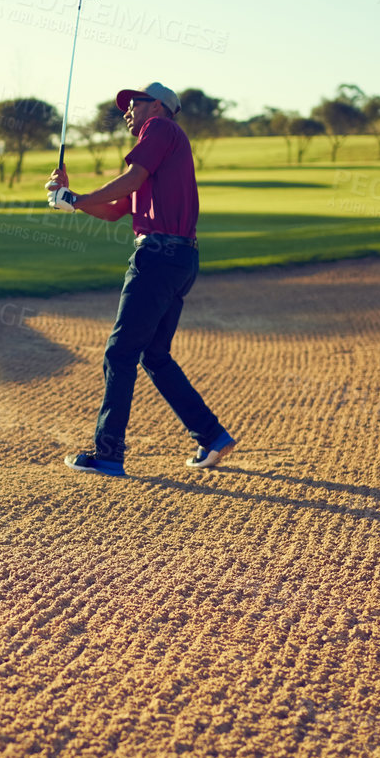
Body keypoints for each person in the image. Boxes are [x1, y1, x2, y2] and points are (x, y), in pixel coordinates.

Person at [45, 81, 236, 478]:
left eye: (134, 103)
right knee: (154, 355)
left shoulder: (161, 131)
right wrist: (72, 199)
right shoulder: (159, 154)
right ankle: (212, 435)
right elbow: (117, 210)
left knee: (120, 352)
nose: (127, 111)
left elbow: (129, 181)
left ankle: (108, 454)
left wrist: (76, 200)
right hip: (180, 258)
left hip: (157, 257)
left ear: (159, 107)